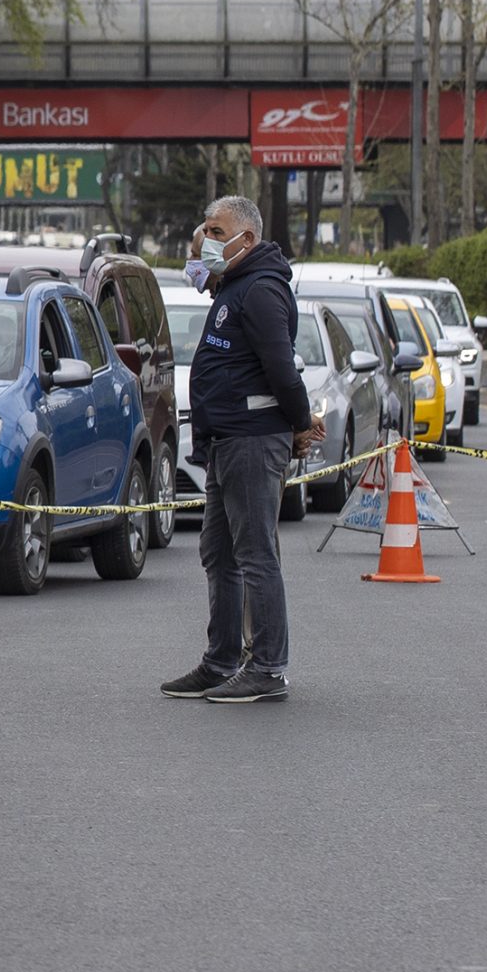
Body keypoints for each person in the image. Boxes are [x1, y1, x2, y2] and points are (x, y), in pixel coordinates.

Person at [164, 195, 322, 706]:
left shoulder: (260, 290)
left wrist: (300, 424)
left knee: (255, 554)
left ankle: (268, 668)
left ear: (246, 239)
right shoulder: (235, 286)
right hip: (227, 440)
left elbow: (281, 369)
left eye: (215, 231)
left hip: (251, 440)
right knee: (219, 552)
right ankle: (221, 661)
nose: (206, 240)